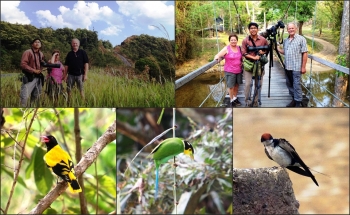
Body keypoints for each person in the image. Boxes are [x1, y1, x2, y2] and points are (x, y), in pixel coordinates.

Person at [277, 22, 308, 107]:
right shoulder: (286, 40)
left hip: (296, 68)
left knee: (296, 85)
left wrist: (303, 67)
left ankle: (298, 103)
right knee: (289, 84)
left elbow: (305, 53)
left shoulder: (301, 39)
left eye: (292, 28)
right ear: (287, 30)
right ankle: (294, 99)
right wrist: (278, 49)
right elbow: (285, 52)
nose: (291, 30)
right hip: (287, 67)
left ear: (296, 29)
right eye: (289, 28)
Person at [241, 22, 268, 107]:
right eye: (251, 28)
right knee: (248, 84)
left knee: (258, 84)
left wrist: (263, 52)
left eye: (255, 28)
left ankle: (255, 101)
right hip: (249, 65)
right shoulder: (245, 40)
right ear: (249, 30)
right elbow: (243, 53)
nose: (253, 29)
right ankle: (247, 101)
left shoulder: (263, 40)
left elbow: (267, 50)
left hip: (259, 65)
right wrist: (253, 58)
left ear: (257, 29)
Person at [214, 34, 243, 107]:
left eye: (235, 40)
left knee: (236, 85)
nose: (233, 41)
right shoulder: (226, 48)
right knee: (231, 86)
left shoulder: (239, 48)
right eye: (231, 40)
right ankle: (231, 100)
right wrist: (217, 58)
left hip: (238, 70)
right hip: (230, 71)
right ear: (229, 41)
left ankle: (235, 98)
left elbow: (241, 57)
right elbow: (217, 55)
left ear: (237, 40)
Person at [20, 38, 45, 107]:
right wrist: (34, 70)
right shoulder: (28, 52)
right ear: (32, 44)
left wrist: (41, 69)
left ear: (41, 45)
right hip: (29, 77)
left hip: (38, 78)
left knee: (36, 97)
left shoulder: (41, 54)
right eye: (35, 42)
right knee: (24, 97)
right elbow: (23, 64)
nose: (37, 43)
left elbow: (42, 64)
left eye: (39, 42)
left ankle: (32, 109)